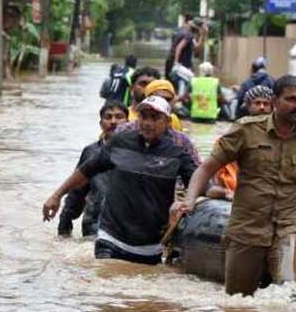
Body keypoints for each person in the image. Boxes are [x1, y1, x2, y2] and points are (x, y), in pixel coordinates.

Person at [171, 75, 296, 295]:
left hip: (287, 226)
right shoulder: (246, 130)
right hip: (247, 229)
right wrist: (189, 200)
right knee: (238, 301)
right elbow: (206, 168)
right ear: (275, 101)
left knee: (291, 293)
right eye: (292, 99)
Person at [42, 96, 198, 265]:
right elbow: (85, 172)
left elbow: (199, 182)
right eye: (144, 116)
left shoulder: (177, 153)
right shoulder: (120, 143)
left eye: (155, 118)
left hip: (151, 247)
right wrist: (56, 196)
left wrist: (208, 196)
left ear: (167, 122)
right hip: (110, 239)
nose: (147, 123)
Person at [56, 101, 128, 238]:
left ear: (128, 122)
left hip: (126, 229)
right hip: (94, 227)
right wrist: (65, 223)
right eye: (108, 117)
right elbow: (77, 191)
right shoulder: (91, 152)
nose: (113, 121)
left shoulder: (138, 153)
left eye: (119, 117)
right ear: (101, 124)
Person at [206, 85, 275, 201]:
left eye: (266, 104)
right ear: (248, 106)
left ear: (272, 107)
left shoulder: (279, 135)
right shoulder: (235, 133)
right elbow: (212, 169)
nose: (262, 107)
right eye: (257, 103)